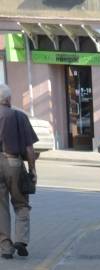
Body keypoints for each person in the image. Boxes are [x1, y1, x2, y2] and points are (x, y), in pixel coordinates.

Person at [0, 84, 37, 260]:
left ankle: (6, 248)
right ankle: (21, 240)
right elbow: (29, 148)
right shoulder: (19, 116)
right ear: (8, 99)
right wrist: (32, 169)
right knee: (21, 202)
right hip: (13, 162)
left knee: (1, 207)